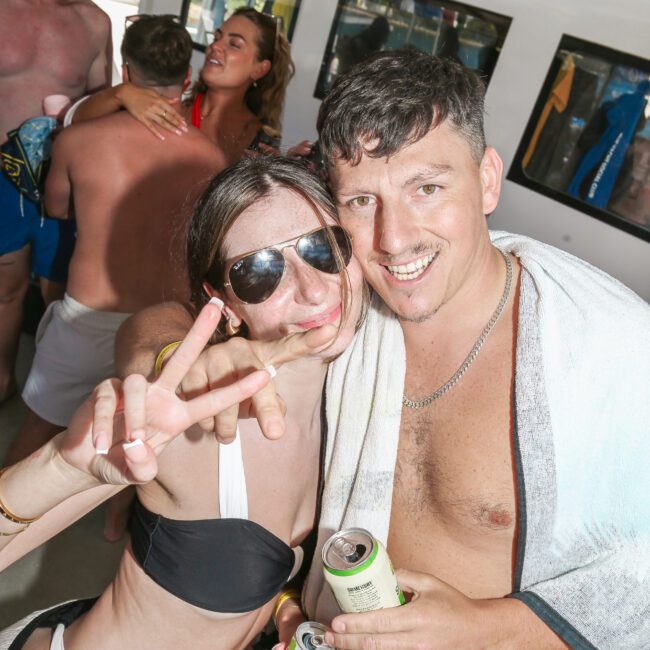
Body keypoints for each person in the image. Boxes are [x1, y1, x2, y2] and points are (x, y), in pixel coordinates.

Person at [124, 50, 650, 649]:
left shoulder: (608, 347)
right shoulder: (346, 310)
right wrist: (169, 365)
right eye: (362, 201)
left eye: (426, 188)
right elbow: (164, 315)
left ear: (486, 179)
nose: (393, 240)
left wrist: (488, 630)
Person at [0, 155, 365, 650]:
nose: (313, 288)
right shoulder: (197, 424)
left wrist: (286, 608)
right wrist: (62, 463)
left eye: (324, 248)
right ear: (227, 306)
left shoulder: (354, 393)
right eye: (260, 272)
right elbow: (158, 318)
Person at [3, 16, 224, 484]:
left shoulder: (80, 141)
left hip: (88, 313)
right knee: (139, 435)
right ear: (186, 78)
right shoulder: (210, 156)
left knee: (40, 427)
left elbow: (58, 208)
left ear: (126, 71)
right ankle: (109, 522)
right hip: (159, 322)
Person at [0, 0, 112, 404]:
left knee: (61, 293)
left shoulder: (93, 21)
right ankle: (3, 381)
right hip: (2, 182)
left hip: (61, 181)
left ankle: (50, 399)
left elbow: (102, 105)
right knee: (4, 290)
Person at [70, 8, 295, 164]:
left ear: (259, 69)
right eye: (217, 37)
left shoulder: (261, 141)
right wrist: (121, 94)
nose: (215, 46)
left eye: (234, 44)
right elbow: (74, 121)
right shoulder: (167, 101)